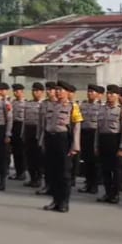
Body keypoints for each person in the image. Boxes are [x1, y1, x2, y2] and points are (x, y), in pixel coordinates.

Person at [40, 81, 81, 213]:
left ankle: (64, 202)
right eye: (56, 90)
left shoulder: (73, 107)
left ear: (68, 92)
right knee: (52, 172)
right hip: (50, 139)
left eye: (60, 90)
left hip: (63, 140)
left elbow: (76, 128)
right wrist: (42, 141)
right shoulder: (50, 105)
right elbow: (44, 125)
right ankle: (55, 200)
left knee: (64, 173)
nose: (57, 92)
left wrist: (75, 145)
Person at [95, 84, 122, 205]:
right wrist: (96, 145)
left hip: (115, 141)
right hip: (103, 141)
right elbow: (97, 130)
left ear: (117, 96)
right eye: (108, 93)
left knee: (116, 170)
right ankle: (107, 192)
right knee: (105, 169)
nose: (109, 96)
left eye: (112, 94)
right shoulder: (101, 109)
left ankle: (115, 194)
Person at [78, 84, 103, 194]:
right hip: (84, 134)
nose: (89, 94)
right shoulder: (82, 105)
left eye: (92, 92)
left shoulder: (102, 106)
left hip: (95, 134)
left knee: (95, 161)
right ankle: (88, 183)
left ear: (98, 94)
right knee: (86, 160)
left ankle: (94, 185)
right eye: (88, 91)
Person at [22, 82, 44, 189]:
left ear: (42, 92)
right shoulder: (28, 103)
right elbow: (24, 120)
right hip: (28, 131)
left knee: (38, 157)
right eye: (33, 90)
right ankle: (32, 178)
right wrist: (23, 133)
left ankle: (38, 178)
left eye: (37, 91)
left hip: (38, 131)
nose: (34, 93)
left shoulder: (44, 104)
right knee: (29, 156)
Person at [10, 84, 27, 181]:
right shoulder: (12, 103)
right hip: (14, 126)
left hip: (22, 126)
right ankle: (18, 171)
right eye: (14, 91)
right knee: (16, 151)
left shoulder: (25, 103)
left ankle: (23, 172)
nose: (16, 92)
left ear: (22, 92)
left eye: (18, 91)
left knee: (22, 151)